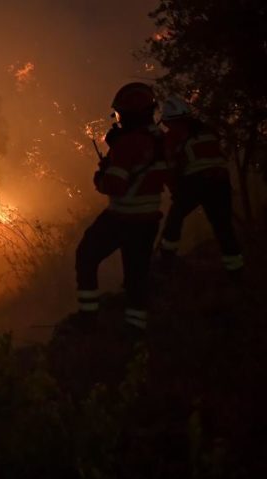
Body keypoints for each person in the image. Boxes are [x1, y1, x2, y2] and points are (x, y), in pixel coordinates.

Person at [75, 82, 168, 333]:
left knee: (86, 255)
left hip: (123, 217)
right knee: (136, 275)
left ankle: (88, 318)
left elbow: (114, 185)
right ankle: (135, 331)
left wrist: (101, 175)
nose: (118, 120)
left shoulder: (128, 144)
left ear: (129, 114)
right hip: (149, 219)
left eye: (119, 115)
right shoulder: (161, 140)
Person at [158, 96, 244, 279]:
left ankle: (165, 265)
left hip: (196, 183)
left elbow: (170, 167)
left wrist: (175, 190)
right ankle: (236, 272)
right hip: (220, 182)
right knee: (223, 228)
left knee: (174, 221)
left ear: (169, 120)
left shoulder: (174, 135)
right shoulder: (206, 130)